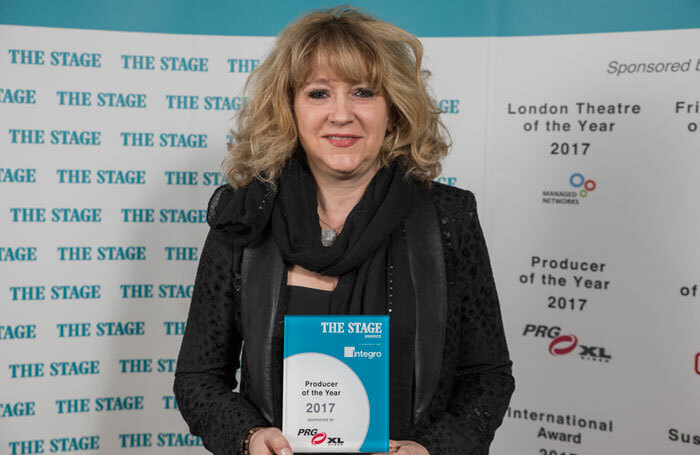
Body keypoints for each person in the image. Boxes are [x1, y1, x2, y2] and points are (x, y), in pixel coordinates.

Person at [174, 7, 514, 455]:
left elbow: (487, 375)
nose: (341, 114)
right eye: (318, 93)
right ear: (288, 108)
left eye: (363, 91)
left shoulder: (448, 218)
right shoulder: (245, 217)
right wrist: (250, 437)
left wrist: (433, 449)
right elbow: (199, 377)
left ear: (393, 109)